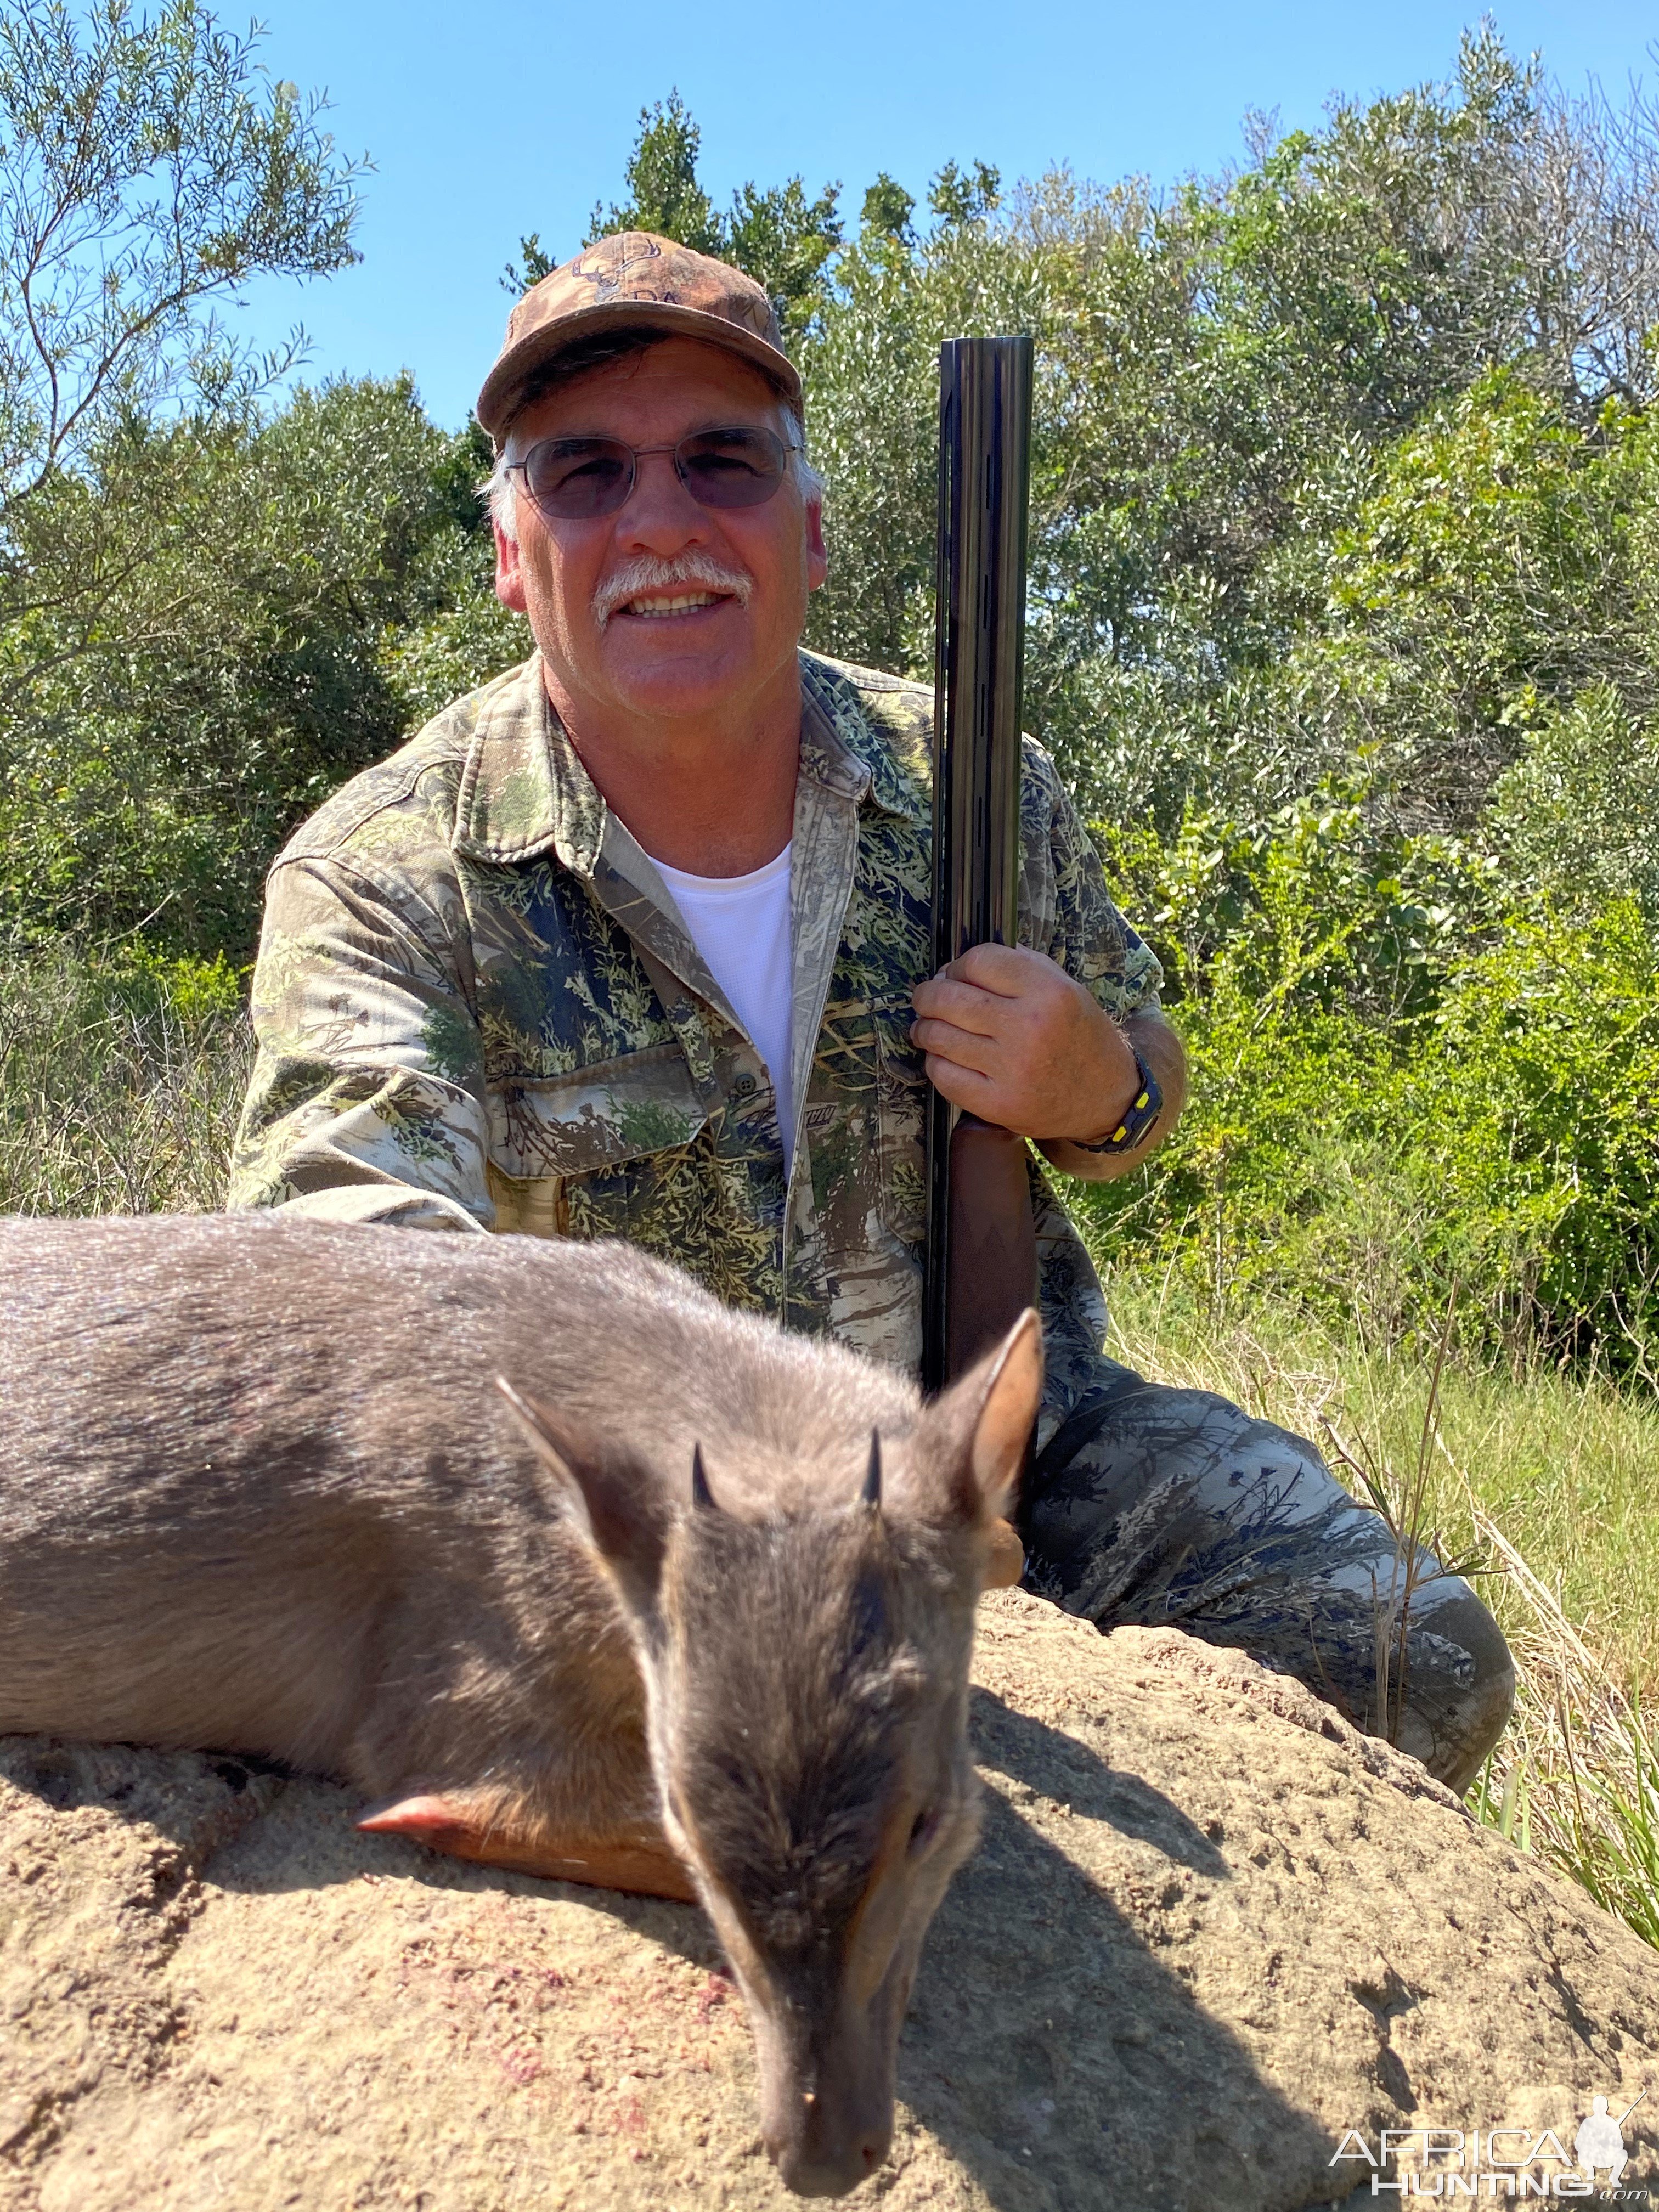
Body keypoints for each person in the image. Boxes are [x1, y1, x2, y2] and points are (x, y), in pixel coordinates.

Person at [228, 230, 1514, 1792]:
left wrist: (1097, 1086)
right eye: (583, 474)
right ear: (512, 556)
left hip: (1020, 1458)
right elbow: (351, 1287)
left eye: (723, 461)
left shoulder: (969, 778)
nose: (661, 521)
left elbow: (1146, 1094)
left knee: (1413, 1650)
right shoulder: (385, 876)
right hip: (645, 1527)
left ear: (815, 531)